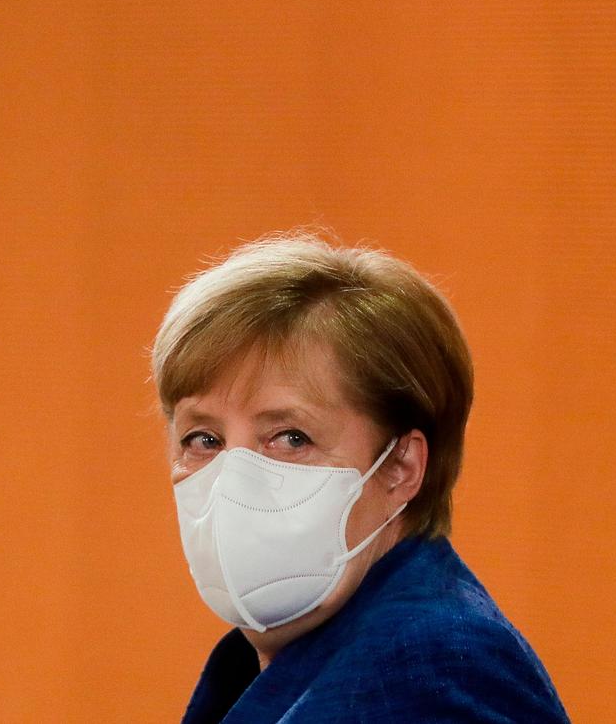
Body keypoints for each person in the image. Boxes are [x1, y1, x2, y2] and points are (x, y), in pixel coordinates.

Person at [151, 231, 569, 722]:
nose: (232, 481)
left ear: (400, 467)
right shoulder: (268, 660)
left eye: (291, 438)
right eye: (204, 439)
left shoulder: (428, 671)